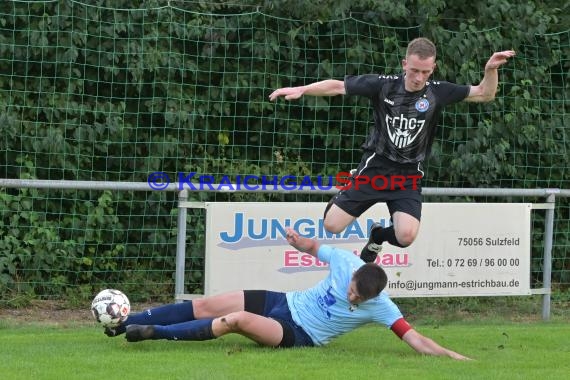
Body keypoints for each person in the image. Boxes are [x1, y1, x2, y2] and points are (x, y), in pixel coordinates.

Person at [269, 37, 515, 263]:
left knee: (406, 236)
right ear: (404, 63)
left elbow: (485, 93)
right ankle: (351, 184)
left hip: (407, 176)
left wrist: (490, 69)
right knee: (332, 225)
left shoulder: (437, 91)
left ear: (433, 68)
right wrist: (303, 89)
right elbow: (337, 86)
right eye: (414, 70)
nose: (419, 77)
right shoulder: (383, 85)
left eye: (426, 72)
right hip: (375, 168)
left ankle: (378, 237)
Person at [104, 227, 470, 360]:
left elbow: (416, 339)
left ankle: (155, 334)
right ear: (354, 275)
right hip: (284, 301)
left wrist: (453, 355)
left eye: (358, 300)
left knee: (235, 320)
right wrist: (299, 242)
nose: (352, 299)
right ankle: (125, 323)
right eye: (352, 292)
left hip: (299, 334)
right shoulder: (345, 263)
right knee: (205, 304)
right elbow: (316, 248)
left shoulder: (382, 307)